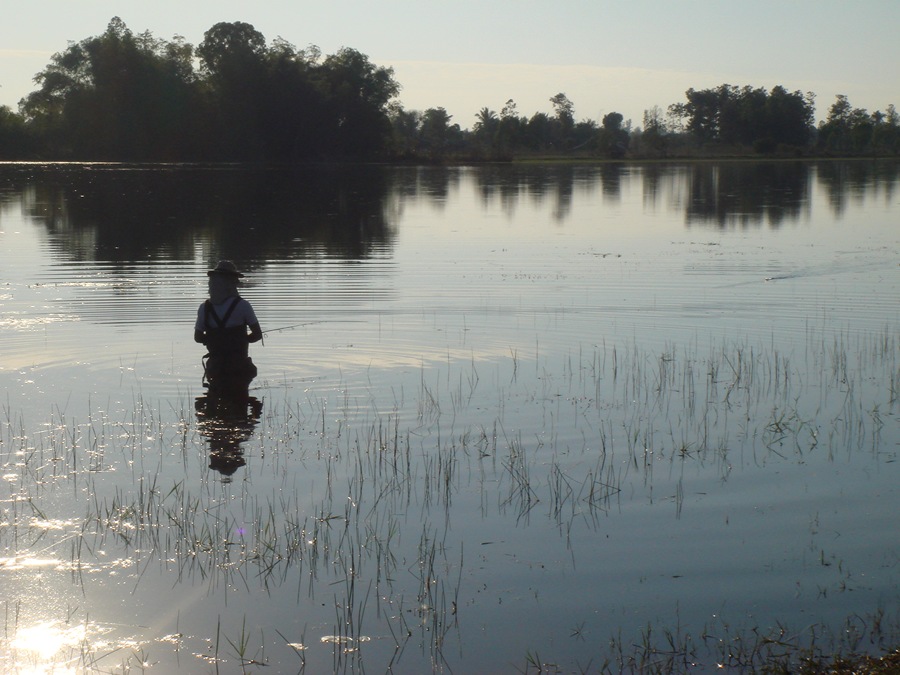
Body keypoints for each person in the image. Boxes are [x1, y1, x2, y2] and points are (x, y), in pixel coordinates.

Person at [194, 260, 262, 397]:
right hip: (239, 366)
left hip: (214, 367)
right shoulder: (243, 306)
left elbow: (198, 337)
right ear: (231, 283)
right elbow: (257, 335)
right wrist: (241, 339)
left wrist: (214, 339)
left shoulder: (204, 308)